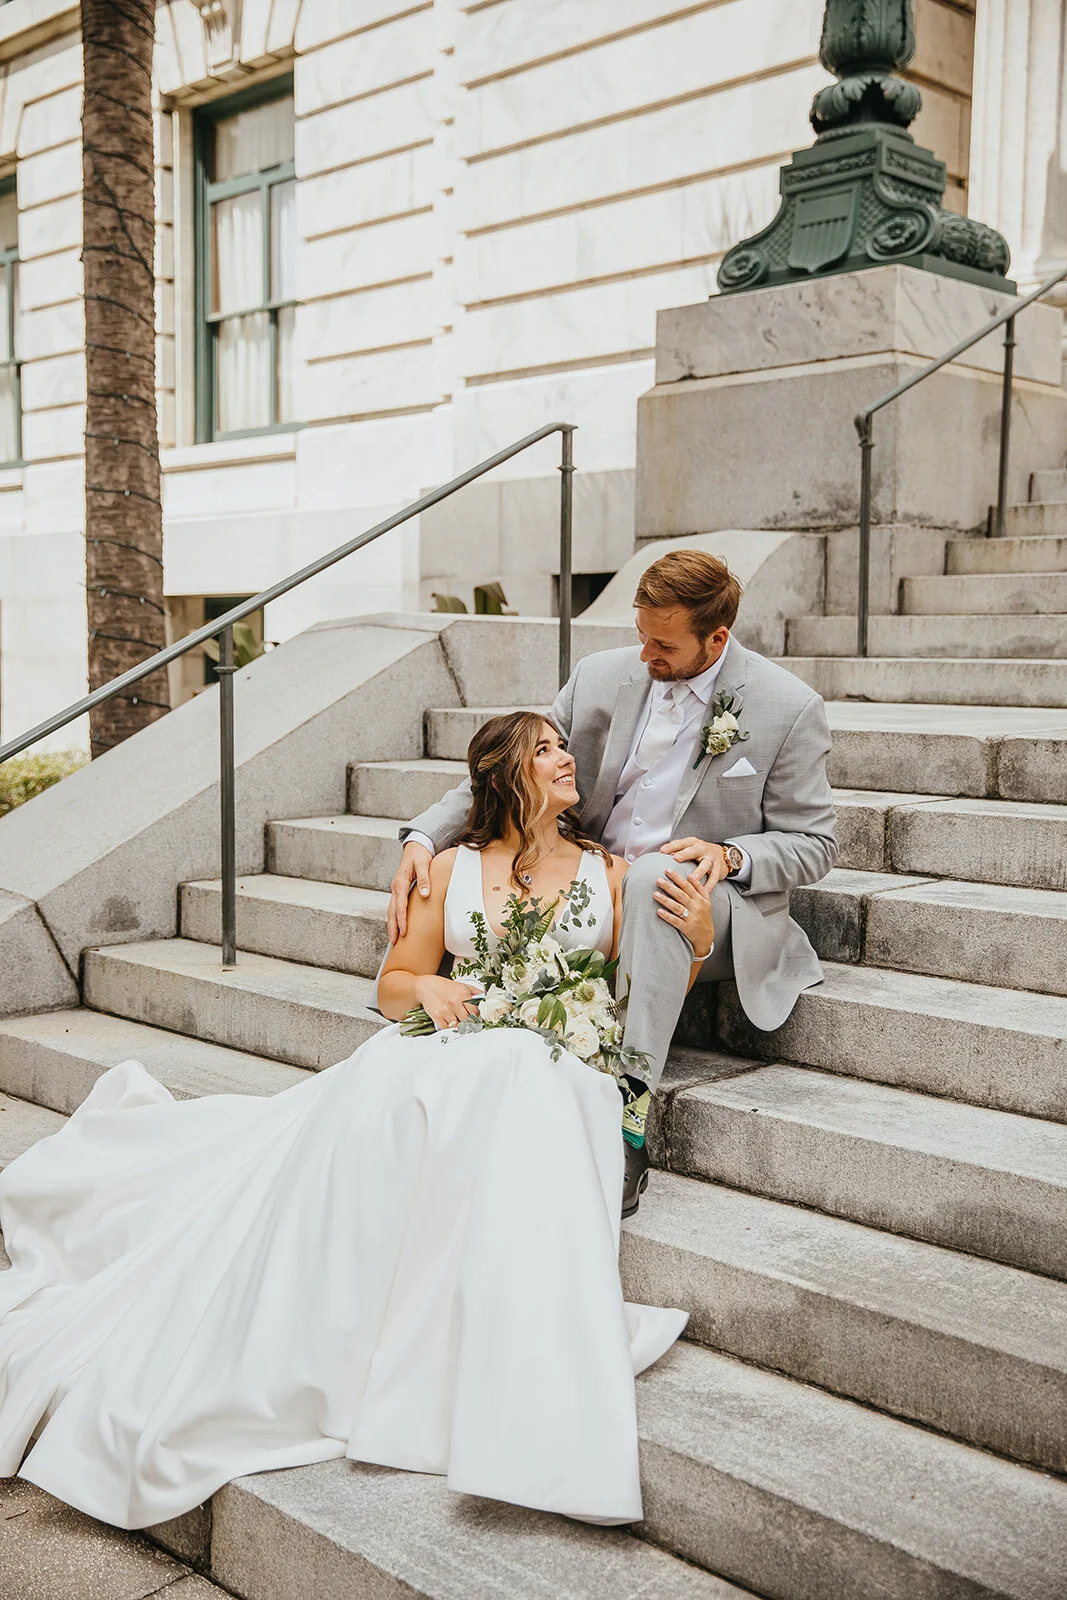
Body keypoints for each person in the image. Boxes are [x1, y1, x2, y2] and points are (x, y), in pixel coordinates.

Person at [0, 713, 690, 1533]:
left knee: (511, 1072)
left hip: (559, 1060)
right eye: (544, 749)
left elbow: (650, 982)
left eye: (561, 745)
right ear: (506, 775)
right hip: (457, 1040)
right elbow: (396, 981)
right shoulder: (446, 868)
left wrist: (703, 940)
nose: (565, 758)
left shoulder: (610, 875)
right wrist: (430, 990)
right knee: (398, 1079)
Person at [389, 550, 839, 1216]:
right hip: (592, 880)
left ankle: (628, 1118)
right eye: (640, 635)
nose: (645, 653)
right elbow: (511, 768)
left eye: (663, 644)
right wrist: (425, 839)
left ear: (716, 638)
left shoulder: (787, 707)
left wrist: (732, 855)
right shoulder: (601, 677)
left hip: (703, 907)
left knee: (656, 874)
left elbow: (814, 844)